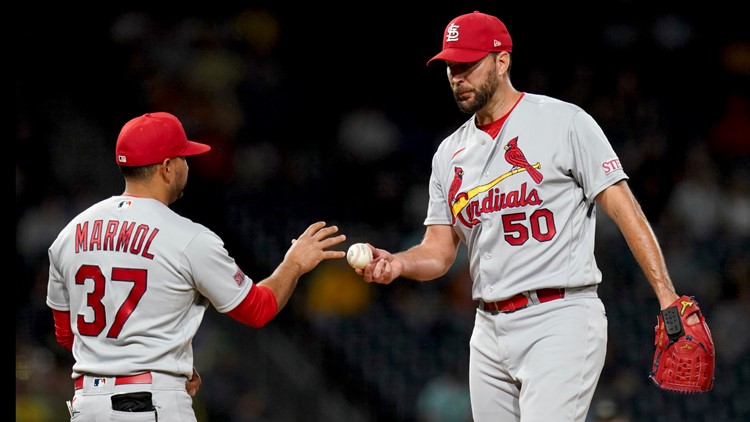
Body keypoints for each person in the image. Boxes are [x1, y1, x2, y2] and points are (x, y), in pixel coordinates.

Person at [356, 11, 697, 422]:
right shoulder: (449, 153)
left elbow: (624, 208)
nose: (457, 75)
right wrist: (398, 263)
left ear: (502, 61)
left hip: (560, 317)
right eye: (451, 65)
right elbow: (439, 252)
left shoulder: (564, 122)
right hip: (487, 329)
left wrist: (666, 295)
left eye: (468, 63)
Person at [46, 111, 346, 421]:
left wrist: (155, 364)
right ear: (167, 168)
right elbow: (257, 309)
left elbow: (67, 335)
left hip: (87, 407)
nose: (188, 166)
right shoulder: (188, 238)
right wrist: (294, 263)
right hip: (152, 407)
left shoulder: (70, 233)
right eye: (183, 158)